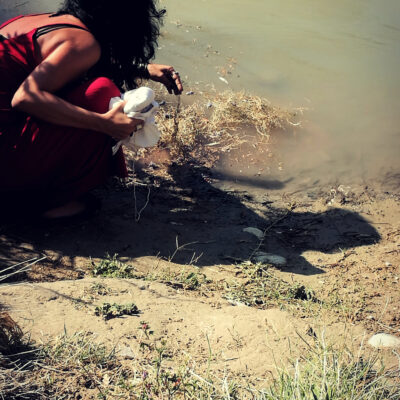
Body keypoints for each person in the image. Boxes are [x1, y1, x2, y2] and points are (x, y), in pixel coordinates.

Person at [0, 0, 182, 220]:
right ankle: (33, 205)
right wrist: (103, 122)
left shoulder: (38, 21)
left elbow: (70, 62)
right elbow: (25, 97)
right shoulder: (84, 42)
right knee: (100, 91)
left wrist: (143, 69)